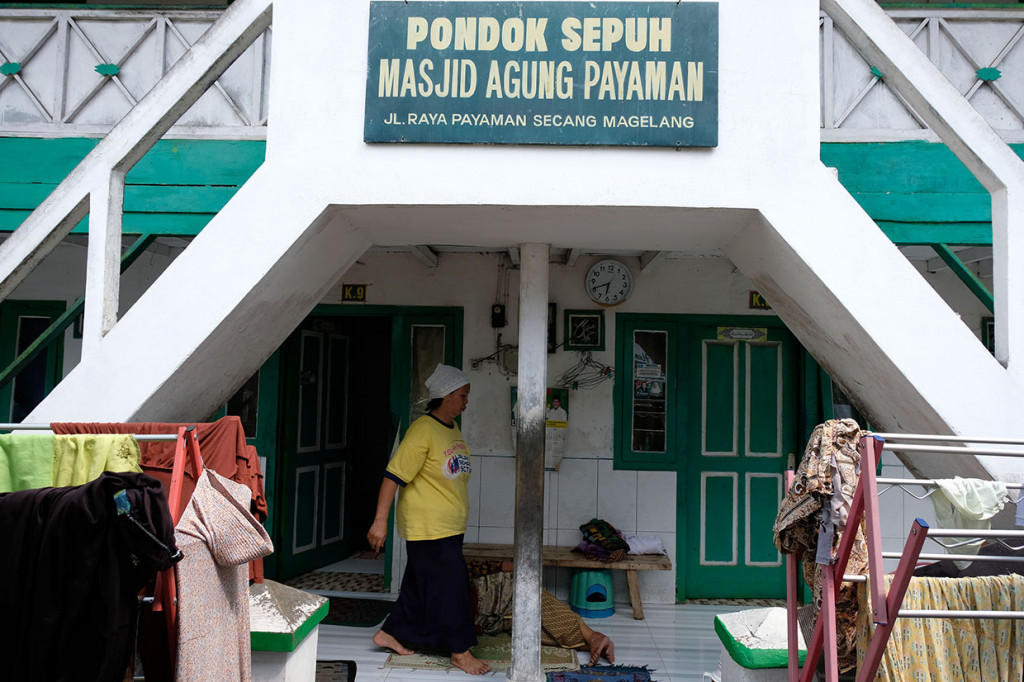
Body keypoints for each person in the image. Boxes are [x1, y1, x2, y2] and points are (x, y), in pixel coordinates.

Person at [367, 364, 490, 675]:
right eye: (462, 395)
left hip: (448, 526)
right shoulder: (422, 430)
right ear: (446, 396)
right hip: (429, 528)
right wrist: (379, 521)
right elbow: (392, 476)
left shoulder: (450, 428)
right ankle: (460, 652)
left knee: (420, 585)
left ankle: (389, 632)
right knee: (453, 587)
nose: (466, 401)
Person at [468, 560, 615, 665]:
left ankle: (591, 636)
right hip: (487, 619)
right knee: (527, 631)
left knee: (533, 598)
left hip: (492, 592)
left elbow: (466, 568)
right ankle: (588, 643)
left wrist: (497, 566)